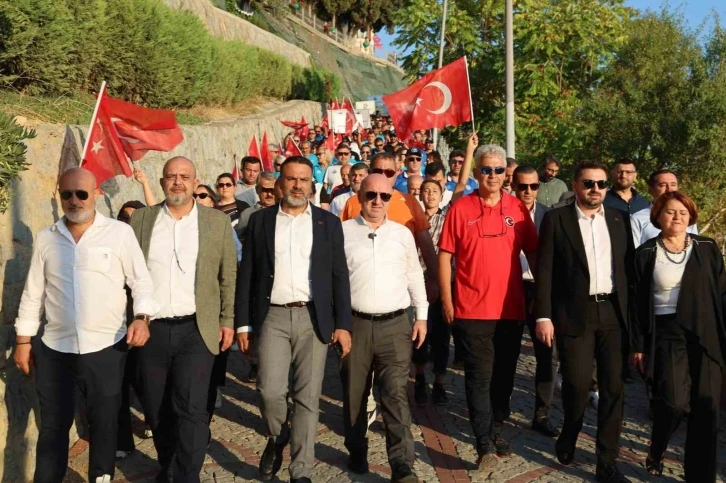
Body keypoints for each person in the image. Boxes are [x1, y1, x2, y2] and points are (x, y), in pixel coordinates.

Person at [14, 168, 158, 483]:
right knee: (53, 425)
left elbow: (141, 282)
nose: (74, 200)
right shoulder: (47, 237)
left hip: (106, 347)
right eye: (66, 194)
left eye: (81, 193)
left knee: (104, 423)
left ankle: (101, 477)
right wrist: (23, 341)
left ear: (96, 194)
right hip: (55, 348)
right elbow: (33, 293)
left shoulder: (119, 234)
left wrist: (142, 317)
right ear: (59, 195)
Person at [235, 156, 352, 483]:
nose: (298, 185)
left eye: (303, 179)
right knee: (269, 390)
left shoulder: (328, 223)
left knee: (307, 398)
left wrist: (343, 324)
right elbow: (248, 274)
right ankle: (278, 434)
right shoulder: (260, 221)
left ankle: (301, 471)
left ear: (311, 185)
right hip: (271, 316)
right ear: (279, 184)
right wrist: (243, 323)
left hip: (313, 318)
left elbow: (339, 276)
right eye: (291, 179)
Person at [130, 157, 238, 482]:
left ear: (195, 182)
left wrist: (227, 319)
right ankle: (169, 468)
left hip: (196, 328)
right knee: (157, 409)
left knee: (191, 409)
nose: (178, 182)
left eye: (184, 177)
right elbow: (129, 272)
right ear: (162, 181)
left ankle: (186, 476)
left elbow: (228, 275)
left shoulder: (216, 221)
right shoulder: (142, 220)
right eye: (171, 176)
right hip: (152, 328)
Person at [438, 142, 538, 470]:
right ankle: (484, 444)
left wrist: (544, 297)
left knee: (504, 378)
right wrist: (448, 300)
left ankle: (496, 428)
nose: (492, 175)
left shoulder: (517, 208)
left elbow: (534, 252)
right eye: (486, 169)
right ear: (477, 172)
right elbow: (445, 256)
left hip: (510, 309)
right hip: (471, 310)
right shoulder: (461, 208)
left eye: (498, 170)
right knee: (479, 377)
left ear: (505, 173)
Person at [535, 160, 633, 483]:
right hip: (573, 313)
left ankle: (607, 462)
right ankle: (570, 430)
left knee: (613, 389)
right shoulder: (557, 219)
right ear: (576, 185)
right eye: (589, 183)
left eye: (601, 184)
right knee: (577, 384)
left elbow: (629, 270)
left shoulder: (619, 219)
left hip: (613, 313)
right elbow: (545, 270)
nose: (595, 189)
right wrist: (544, 315)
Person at [631, 192, 726, 481]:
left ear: (691, 216)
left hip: (705, 333)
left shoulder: (707, 247)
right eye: (670, 212)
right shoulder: (646, 253)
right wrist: (638, 345)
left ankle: (700, 476)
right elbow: (636, 303)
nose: (677, 217)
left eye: (683, 212)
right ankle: (658, 445)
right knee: (674, 403)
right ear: (658, 216)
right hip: (667, 334)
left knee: (707, 408)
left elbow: (722, 293)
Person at [340, 174, 427, 482]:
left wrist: (422, 316)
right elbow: (333, 280)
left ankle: (402, 464)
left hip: (395, 325)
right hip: (355, 325)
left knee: (395, 393)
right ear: (359, 196)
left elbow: (414, 274)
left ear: (391, 198)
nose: (377, 201)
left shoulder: (402, 234)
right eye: (371, 195)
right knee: (354, 393)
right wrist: (337, 325)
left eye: (384, 196)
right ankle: (356, 448)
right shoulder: (342, 232)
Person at [510, 166, 559, 437]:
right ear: (513, 186)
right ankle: (499, 408)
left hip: (539, 290)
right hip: (509, 290)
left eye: (533, 186)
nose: (528, 191)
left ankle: (542, 414)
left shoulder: (549, 217)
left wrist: (543, 294)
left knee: (547, 354)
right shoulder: (502, 213)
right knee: (506, 352)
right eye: (522, 186)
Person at [116, 200, 151, 460]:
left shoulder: (151, 247)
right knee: (118, 385)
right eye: (124, 218)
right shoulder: (111, 244)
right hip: (114, 325)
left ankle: (153, 419)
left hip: (145, 325)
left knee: (145, 381)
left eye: (134, 218)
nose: (129, 223)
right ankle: (122, 440)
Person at [413, 180, 451, 405]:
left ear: (441, 195)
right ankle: (419, 378)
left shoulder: (447, 220)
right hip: (417, 283)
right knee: (419, 335)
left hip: (442, 282)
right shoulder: (413, 219)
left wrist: (438, 281)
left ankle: (439, 382)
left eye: (434, 191)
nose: (430, 195)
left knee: (441, 336)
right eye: (426, 191)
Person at [631, 169, 698, 247]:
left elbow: (695, 245)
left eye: (673, 185)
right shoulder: (638, 218)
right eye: (663, 185)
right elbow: (635, 250)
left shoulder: (686, 214)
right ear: (651, 189)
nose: (669, 189)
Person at [238, 172, 277, 245]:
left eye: (272, 190)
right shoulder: (247, 214)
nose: (269, 194)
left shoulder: (283, 211)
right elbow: (239, 242)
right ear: (257, 190)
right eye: (265, 190)